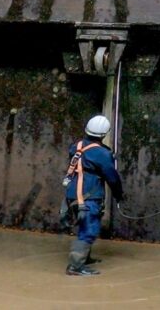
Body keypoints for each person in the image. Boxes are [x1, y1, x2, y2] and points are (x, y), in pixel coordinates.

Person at [62, 114, 124, 277]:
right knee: (90, 229)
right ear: (104, 134)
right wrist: (119, 194)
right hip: (88, 197)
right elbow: (112, 177)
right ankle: (75, 266)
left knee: (85, 226)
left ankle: (84, 258)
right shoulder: (102, 154)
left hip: (72, 195)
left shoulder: (76, 146)